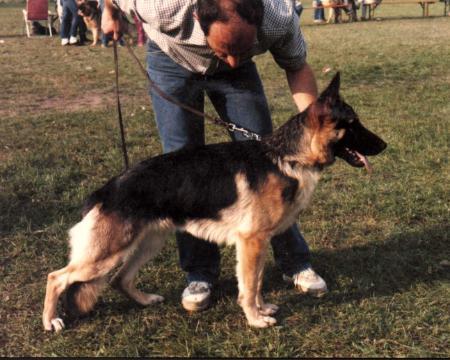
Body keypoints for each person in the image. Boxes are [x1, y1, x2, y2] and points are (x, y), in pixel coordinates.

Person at [102, 0, 328, 312]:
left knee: (269, 163)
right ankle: (200, 273)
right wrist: (108, 10)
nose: (233, 61)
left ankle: (294, 262)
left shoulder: (279, 18)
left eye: (242, 49)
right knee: (181, 167)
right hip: (171, 61)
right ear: (197, 18)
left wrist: (316, 128)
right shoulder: (161, 7)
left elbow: (297, 66)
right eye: (225, 51)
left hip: (240, 82)